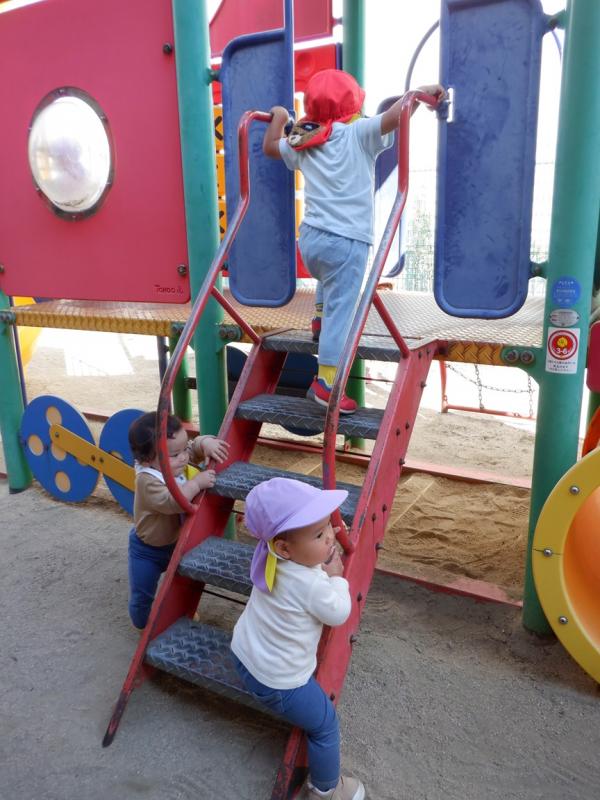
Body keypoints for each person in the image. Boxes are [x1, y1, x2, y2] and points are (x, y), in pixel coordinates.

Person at [263, 69, 446, 414]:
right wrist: (419, 93)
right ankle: (327, 384)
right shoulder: (358, 132)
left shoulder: (305, 138)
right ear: (354, 108)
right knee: (343, 314)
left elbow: (270, 147)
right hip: (347, 243)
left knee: (327, 280)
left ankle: (319, 319)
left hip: (311, 240)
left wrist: (279, 117)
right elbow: (396, 115)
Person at [230, 477, 364, 800]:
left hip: (243, 654)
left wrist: (319, 541)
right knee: (325, 725)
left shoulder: (271, 557)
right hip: (278, 682)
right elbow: (338, 612)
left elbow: (306, 554)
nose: (331, 536)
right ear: (285, 549)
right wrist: (337, 579)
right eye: (319, 534)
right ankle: (327, 789)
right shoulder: (311, 584)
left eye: (329, 525)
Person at [127, 411, 229, 630]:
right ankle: (142, 624)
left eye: (183, 449)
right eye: (175, 454)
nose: (184, 457)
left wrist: (206, 443)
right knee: (143, 592)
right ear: (147, 460)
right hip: (148, 550)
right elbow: (171, 502)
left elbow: (194, 447)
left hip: (175, 542)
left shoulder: (174, 459)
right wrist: (197, 483)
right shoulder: (147, 480)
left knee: (181, 581)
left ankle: (180, 609)